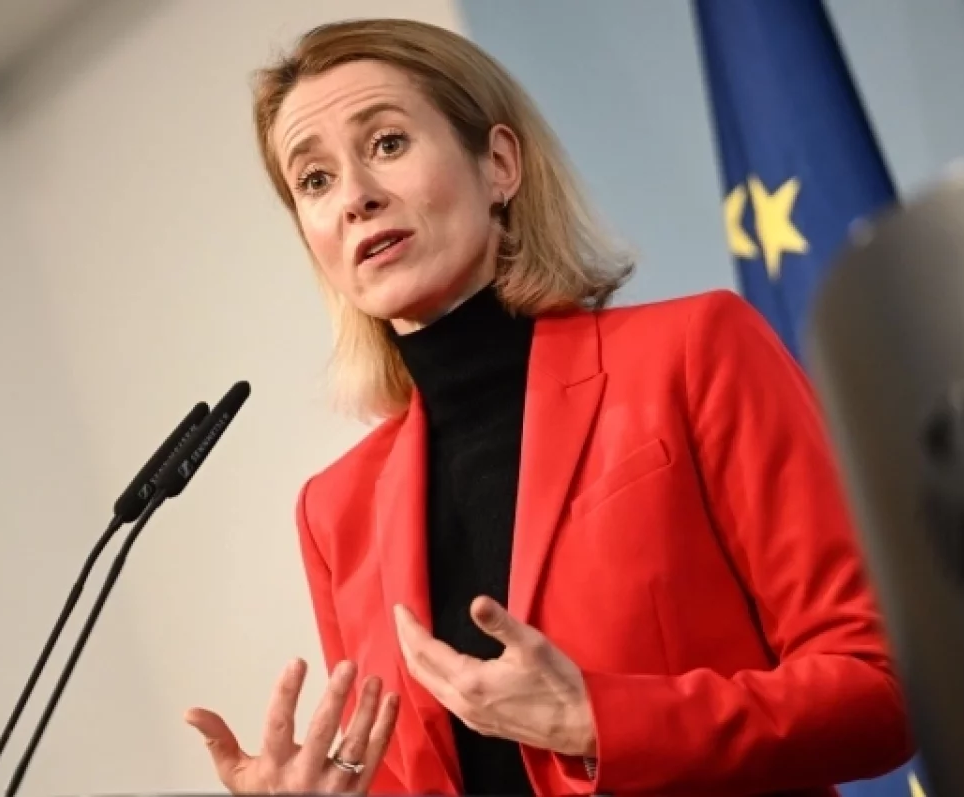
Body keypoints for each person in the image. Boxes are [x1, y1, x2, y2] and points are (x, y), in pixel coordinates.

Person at [183, 17, 915, 797]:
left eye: (387, 143)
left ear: (499, 164)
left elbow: (881, 685)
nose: (355, 198)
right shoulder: (336, 514)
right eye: (314, 181)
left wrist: (597, 721)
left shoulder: (693, 352)